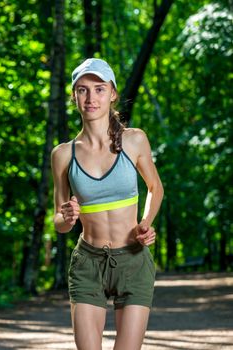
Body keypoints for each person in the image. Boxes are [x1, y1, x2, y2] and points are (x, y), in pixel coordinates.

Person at [51, 58, 164, 350]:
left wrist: (146, 223)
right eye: (83, 90)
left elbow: (155, 187)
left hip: (134, 260)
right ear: (74, 95)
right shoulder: (63, 155)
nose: (91, 98)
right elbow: (60, 225)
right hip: (88, 262)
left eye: (99, 89)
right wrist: (66, 216)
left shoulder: (134, 140)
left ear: (112, 93)